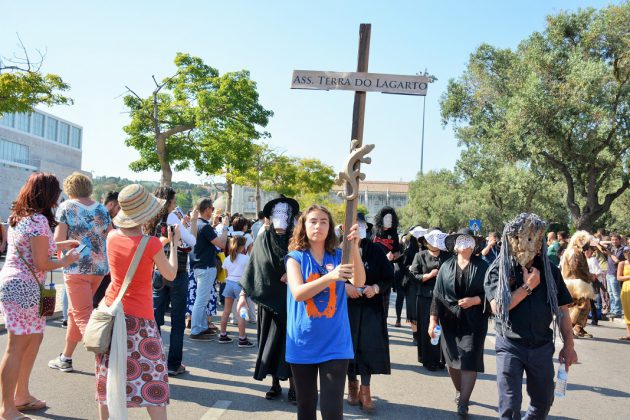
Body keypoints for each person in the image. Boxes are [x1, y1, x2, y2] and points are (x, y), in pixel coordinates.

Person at [0, 173, 80, 419]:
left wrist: (60, 245)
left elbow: (33, 249)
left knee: (32, 341)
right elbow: (42, 262)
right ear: (49, 195)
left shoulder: (22, 218)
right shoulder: (38, 221)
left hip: (20, 286)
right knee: (16, 347)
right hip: (26, 287)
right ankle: (7, 408)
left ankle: (21, 396)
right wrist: (65, 261)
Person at [95, 184, 179, 420]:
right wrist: (172, 243)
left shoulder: (111, 236)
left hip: (110, 313)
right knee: (152, 381)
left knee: (109, 379)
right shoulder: (151, 244)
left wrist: (158, 244)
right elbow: (170, 273)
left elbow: (131, 252)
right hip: (140, 321)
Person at [484, 213, 577, 420]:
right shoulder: (498, 270)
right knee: (510, 405)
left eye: (532, 238)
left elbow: (562, 311)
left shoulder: (550, 271)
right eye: (520, 237)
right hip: (510, 345)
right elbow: (498, 307)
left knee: (543, 402)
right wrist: (528, 286)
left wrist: (569, 346)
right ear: (510, 240)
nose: (526, 244)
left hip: (542, 346)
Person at [285, 205, 365, 420]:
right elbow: (299, 293)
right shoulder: (295, 258)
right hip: (303, 342)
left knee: (332, 411)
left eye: (323, 221)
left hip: (335, 343)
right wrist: (330, 277)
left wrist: (354, 247)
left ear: (330, 228)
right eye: (313, 221)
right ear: (303, 225)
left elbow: (359, 281)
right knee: (306, 407)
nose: (318, 226)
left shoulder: (340, 256)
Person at [49, 172, 112, 373]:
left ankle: (108, 361)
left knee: (82, 314)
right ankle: (65, 358)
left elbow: (57, 240)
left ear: (70, 189)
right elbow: (111, 236)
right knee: (75, 312)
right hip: (100, 267)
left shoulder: (66, 207)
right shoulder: (102, 208)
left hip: (76, 267)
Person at [239, 196, 300, 403]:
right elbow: (255, 266)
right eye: (277, 214)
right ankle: (275, 383)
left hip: (294, 301)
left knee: (291, 344)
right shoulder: (263, 238)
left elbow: (307, 262)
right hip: (268, 301)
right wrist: (243, 296)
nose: (281, 218)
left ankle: (294, 386)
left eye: (285, 214)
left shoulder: (298, 240)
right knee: (271, 343)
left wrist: (292, 274)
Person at [428, 232, 489, 418]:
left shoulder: (483, 267)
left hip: (474, 321)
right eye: (460, 241)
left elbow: (493, 294)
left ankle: (463, 403)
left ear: (474, 245)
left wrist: (476, 300)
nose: (463, 245)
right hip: (449, 321)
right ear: (454, 246)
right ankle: (460, 391)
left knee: (469, 360)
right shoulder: (446, 266)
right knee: (452, 362)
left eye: (467, 241)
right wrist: (433, 321)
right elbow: (437, 296)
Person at [146, 187, 198, 377]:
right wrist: (190, 223)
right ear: (168, 202)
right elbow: (191, 240)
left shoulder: (148, 220)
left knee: (155, 319)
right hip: (177, 271)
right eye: (174, 201)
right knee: (177, 321)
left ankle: (153, 360)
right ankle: (174, 364)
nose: (175, 205)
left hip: (157, 270)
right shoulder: (172, 218)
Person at [345, 214, 393, 412]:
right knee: (347, 349)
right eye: (356, 225)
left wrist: (376, 287)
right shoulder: (341, 251)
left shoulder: (377, 250)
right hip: (348, 308)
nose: (359, 228)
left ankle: (366, 391)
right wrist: (345, 289)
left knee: (368, 348)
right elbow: (331, 276)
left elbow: (389, 277)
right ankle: (352, 387)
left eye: (362, 225)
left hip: (372, 309)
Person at [188, 198, 228, 340]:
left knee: (202, 299)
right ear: (206, 209)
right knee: (201, 300)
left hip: (199, 266)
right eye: (211, 208)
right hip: (205, 267)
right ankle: (196, 329)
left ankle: (202, 327)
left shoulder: (197, 224)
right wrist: (225, 227)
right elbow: (222, 244)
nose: (213, 211)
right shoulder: (204, 226)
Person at [410, 228, 449, 370]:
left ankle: (441, 359)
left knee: (443, 329)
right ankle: (428, 360)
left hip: (443, 297)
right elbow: (414, 276)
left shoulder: (447, 256)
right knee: (427, 328)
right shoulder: (420, 256)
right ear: (427, 241)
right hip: (425, 297)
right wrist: (429, 275)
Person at [217, 236, 254, 347]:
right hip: (240, 286)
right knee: (241, 313)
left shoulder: (228, 258)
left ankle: (222, 335)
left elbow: (226, 273)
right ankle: (242, 339)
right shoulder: (246, 258)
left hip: (229, 284)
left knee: (226, 312)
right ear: (243, 246)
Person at [561, 231, 597, 338]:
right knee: (580, 306)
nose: (587, 244)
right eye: (585, 241)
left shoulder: (577, 251)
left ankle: (578, 327)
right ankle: (569, 329)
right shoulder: (573, 252)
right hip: (576, 283)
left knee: (584, 306)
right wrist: (589, 275)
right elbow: (575, 269)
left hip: (578, 282)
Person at [92, 190, 121, 309]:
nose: (120, 212)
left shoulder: (103, 217)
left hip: (104, 270)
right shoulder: (102, 218)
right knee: (95, 305)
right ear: (111, 205)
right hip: (100, 270)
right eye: (119, 208)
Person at [602, 233, 625, 319]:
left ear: (620, 240)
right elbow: (599, 242)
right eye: (613, 240)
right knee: (610, 293)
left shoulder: (622, 249)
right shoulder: (611, 247)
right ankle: (613, 310)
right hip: (609, 273)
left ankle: (618, 311)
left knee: (616, 294)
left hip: (615, 274)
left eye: (616, 240)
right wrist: (609, 241)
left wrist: (609, 253)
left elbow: (617, 261)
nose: (614, 241)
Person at [616, 247, 630, 340]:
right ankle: (629, 334)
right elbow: (619, 277)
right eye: (626, 253)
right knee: (627, 311)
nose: (627, 254)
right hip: (626, 289)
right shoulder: (622, 263)